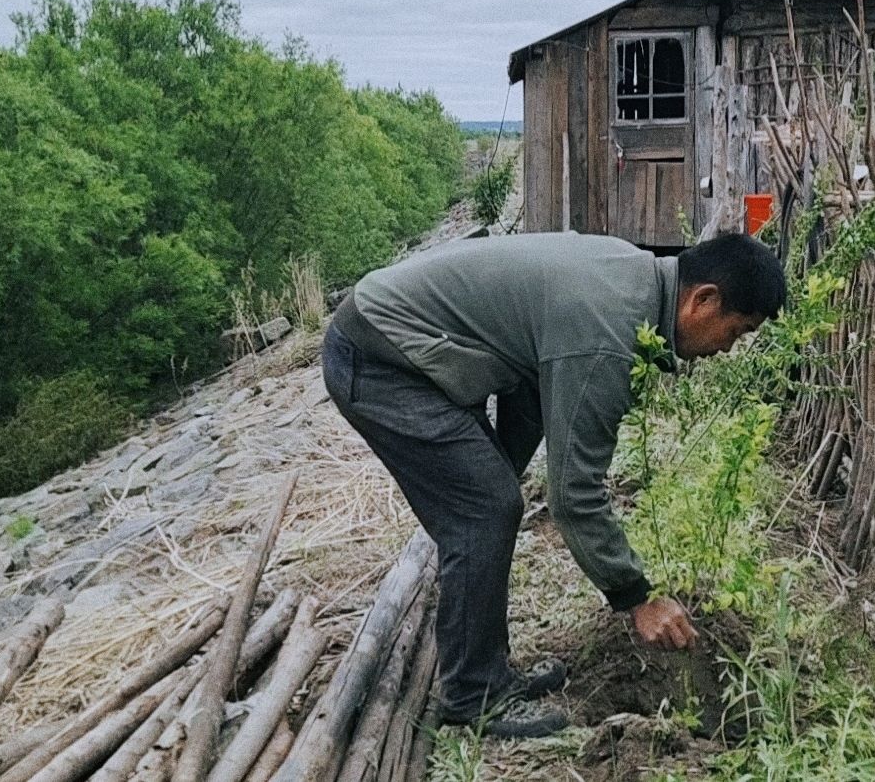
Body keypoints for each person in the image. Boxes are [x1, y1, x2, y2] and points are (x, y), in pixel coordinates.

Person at [322, 231, 785, 737]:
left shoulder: (635, 282)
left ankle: (487, 672)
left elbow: (531, 386)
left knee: (490, 503)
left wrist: (498, 477)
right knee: (485, 510)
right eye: (736, 332)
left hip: (411, 345)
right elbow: (575, 495)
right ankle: (475, 695)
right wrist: (638, 599)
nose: (727, 350)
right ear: (704, 300)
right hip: (380, 357)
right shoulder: (608, 332)